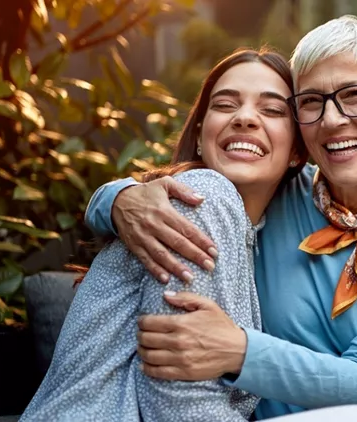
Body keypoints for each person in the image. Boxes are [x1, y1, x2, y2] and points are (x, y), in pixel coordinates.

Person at [85, 15, 357, 420]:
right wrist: (118, 199)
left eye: (356, 95)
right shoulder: (274, 190)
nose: (331, 120)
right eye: (311, 101)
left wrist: (237, 349)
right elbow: (189, 190)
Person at [20, 48, 306, 421]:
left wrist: (110, 197)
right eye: (225, 105)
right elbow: (179, 400)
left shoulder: (259, 233)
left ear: (298, 150)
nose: (245, 118)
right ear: (201, 137)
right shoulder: (204, 195)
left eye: (271, 110)